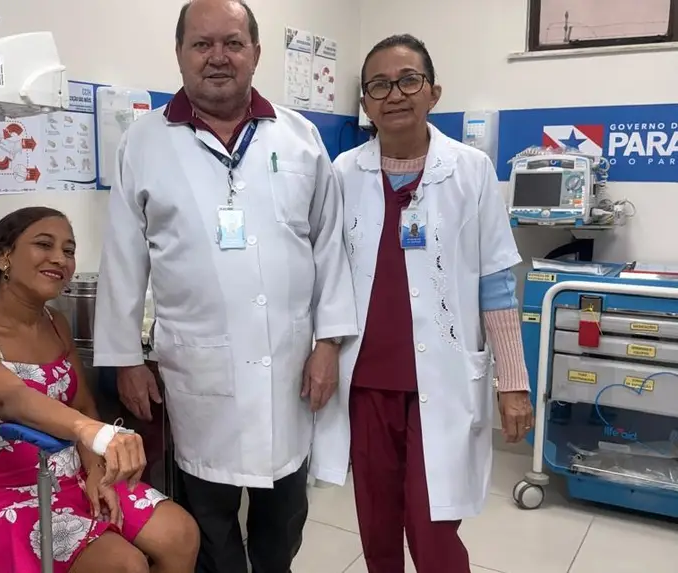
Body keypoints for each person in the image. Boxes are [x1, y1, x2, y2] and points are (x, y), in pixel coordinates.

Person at [93, 0, 358, 571]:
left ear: (255, 53)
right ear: (180, 53)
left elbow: (329, 247)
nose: (218, 57)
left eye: (233, 43)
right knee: (209, 524)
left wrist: (329, 343)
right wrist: (126, 358)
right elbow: (123, 258)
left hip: (289, 368)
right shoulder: (143, 142)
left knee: (283, 520)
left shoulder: (300, 136)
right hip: (199, 370)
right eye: (202, 44)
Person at [310, 35, 535, 573]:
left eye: (408, 80)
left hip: (446, 378)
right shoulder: (342, 173)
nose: (395, 94)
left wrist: (513, 383)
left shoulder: (471, 170)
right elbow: (323, 272)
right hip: (366, 382)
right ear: (365, 104)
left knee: (433, 533)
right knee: (377, 528)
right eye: (379, 85)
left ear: (434, 92)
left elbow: (496, 282)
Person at [0, 206, 199, 573]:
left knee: (180, 534)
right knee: (124, 566)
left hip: (72, 474)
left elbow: (82, 404)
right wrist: (94, 433)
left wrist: (95, 469)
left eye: (68, 250)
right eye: (44, 244)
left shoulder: (55, 323)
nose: (60, 258)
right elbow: (12, 398)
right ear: (3, 257)